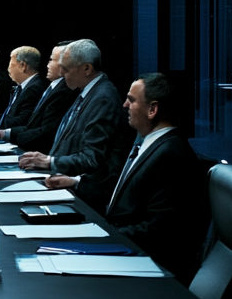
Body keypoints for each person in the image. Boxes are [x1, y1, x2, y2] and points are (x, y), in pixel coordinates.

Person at [45, 73, 207, 284]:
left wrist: (101, 237)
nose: (124, 105)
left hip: (142, 269)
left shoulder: (173, 155)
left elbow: (158, 230)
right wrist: (76, 183)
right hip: (124, 252)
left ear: (153, 109)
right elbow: (127, 198)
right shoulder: (152, 144)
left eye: (131, 99)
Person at [18, 38, 122, 174]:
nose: (61, 74)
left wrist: (50, 161)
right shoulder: (87, 91)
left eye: (66, 69)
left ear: (87, 68)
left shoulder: (103, 98)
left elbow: (92, 157)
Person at [0, 42, 78, 152]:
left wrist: (9, 135)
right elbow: (32, 125)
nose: (47, 65)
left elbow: (45, 132)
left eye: (52, 60)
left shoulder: (62, 91)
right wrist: (7, 133)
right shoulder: (53, 87)